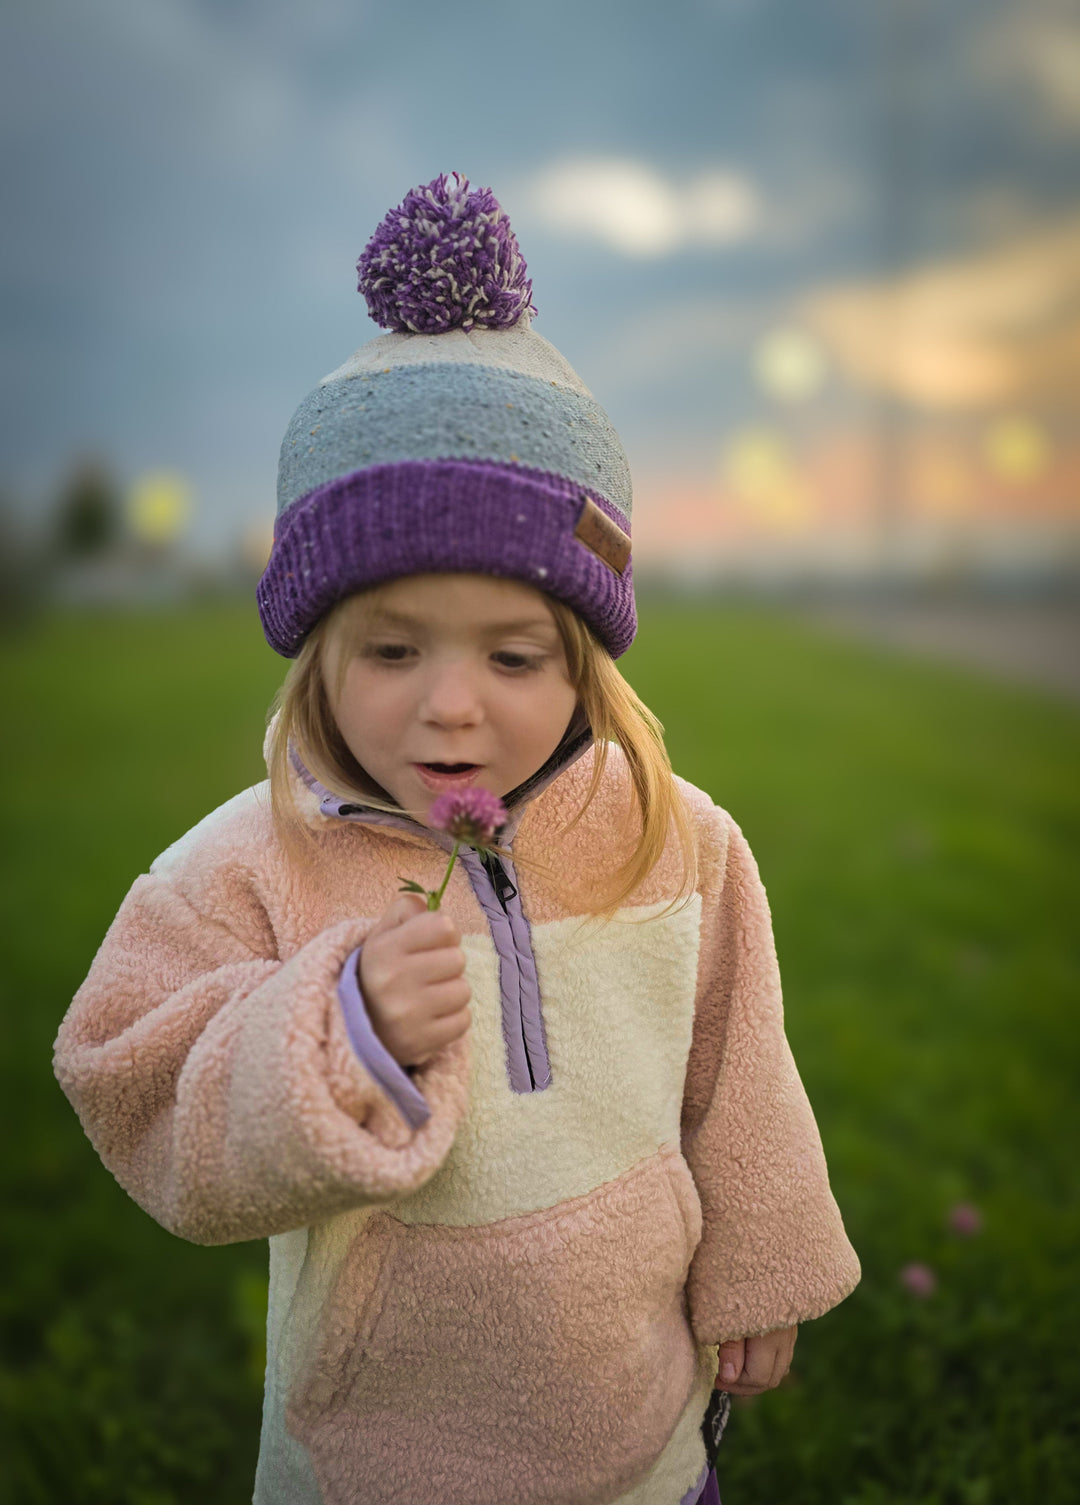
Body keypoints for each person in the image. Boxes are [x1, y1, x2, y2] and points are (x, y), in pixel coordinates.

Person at [53, 172, 860, 1505]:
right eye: (390, 647)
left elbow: (738, 1063)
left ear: (585, 659)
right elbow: (130, 1074)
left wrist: (761, 1262)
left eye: (513, 652)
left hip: (639, 1430)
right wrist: (337, 1025)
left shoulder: (678, 839)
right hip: (377, 1452)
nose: (450, 703)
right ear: (316, 645)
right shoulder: (247, 864)